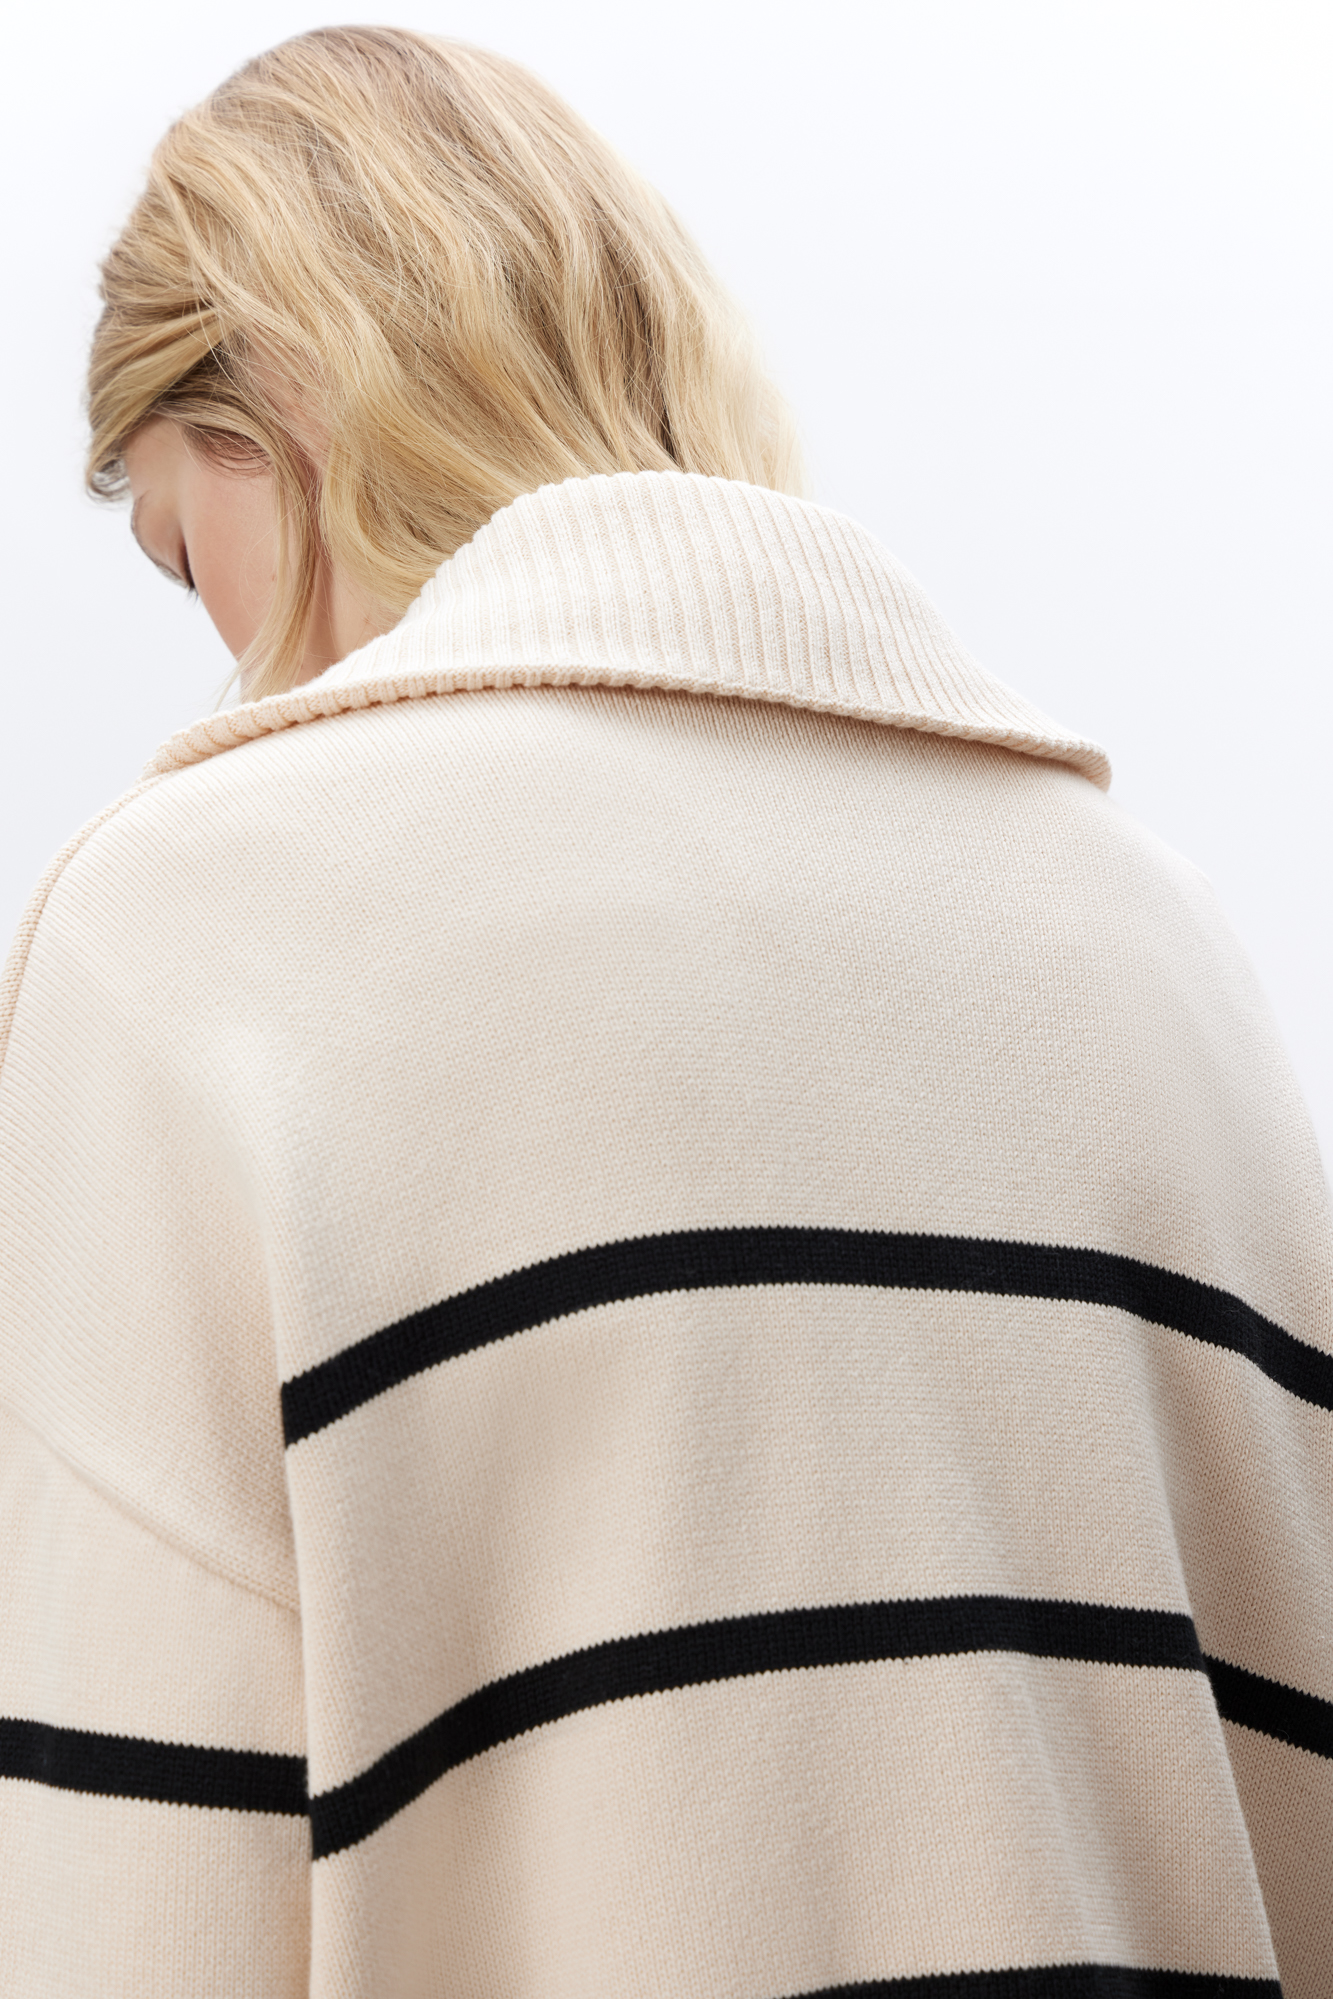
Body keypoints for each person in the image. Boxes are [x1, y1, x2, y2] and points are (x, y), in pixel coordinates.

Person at [0, 24, 1328, 1999]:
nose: (224, 655)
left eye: (184, 553)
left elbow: (138, 1884)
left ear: (272, 407)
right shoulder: (1163, 950)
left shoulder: (197, 931)